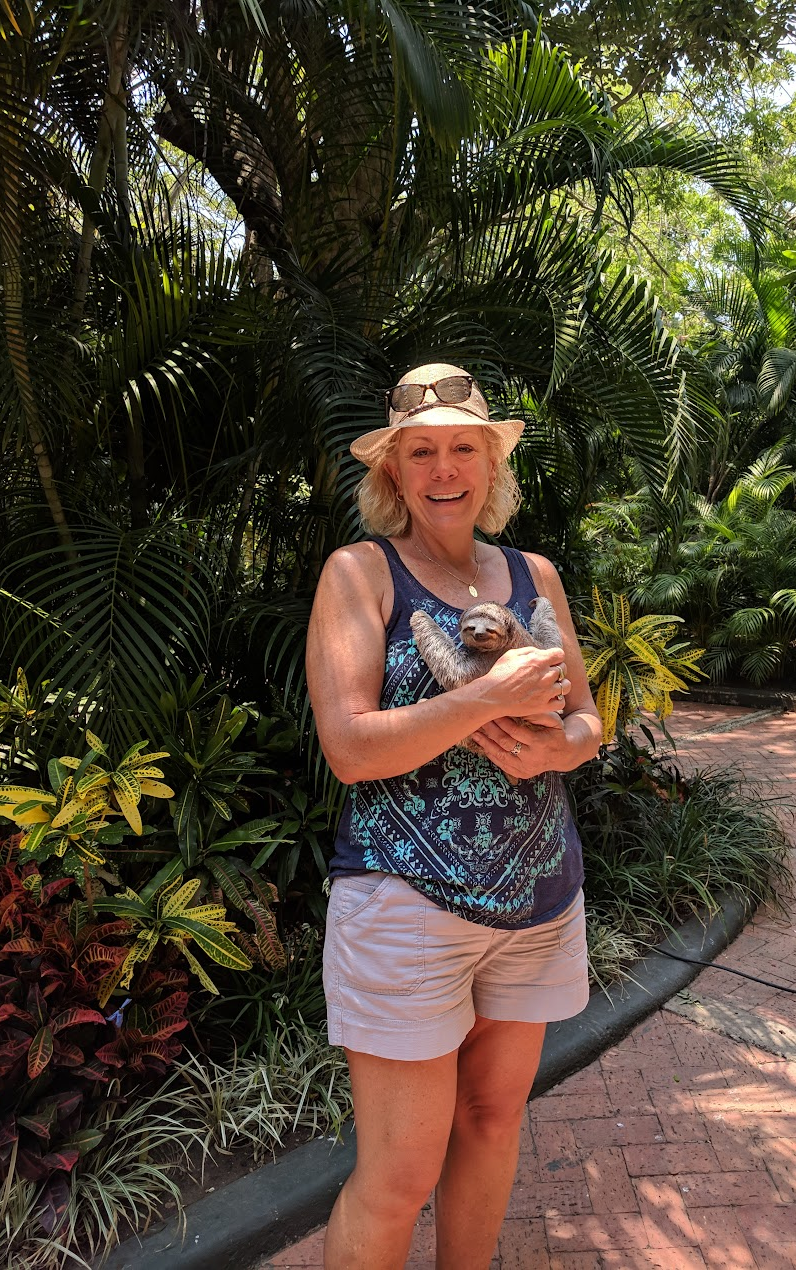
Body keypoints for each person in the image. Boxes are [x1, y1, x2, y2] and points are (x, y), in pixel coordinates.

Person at [306, 362, 602, 1269]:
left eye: (462, 447)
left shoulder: (532, 574)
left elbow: (589, 720)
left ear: (490, 464)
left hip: (539, 903)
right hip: (406, 909)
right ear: (392, 470)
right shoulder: (361, 574)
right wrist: (485, 701)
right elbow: (350, 748)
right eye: (422, 450)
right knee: (397, 1175)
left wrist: (563, 746)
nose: (444, 467)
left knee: (491, 1119)